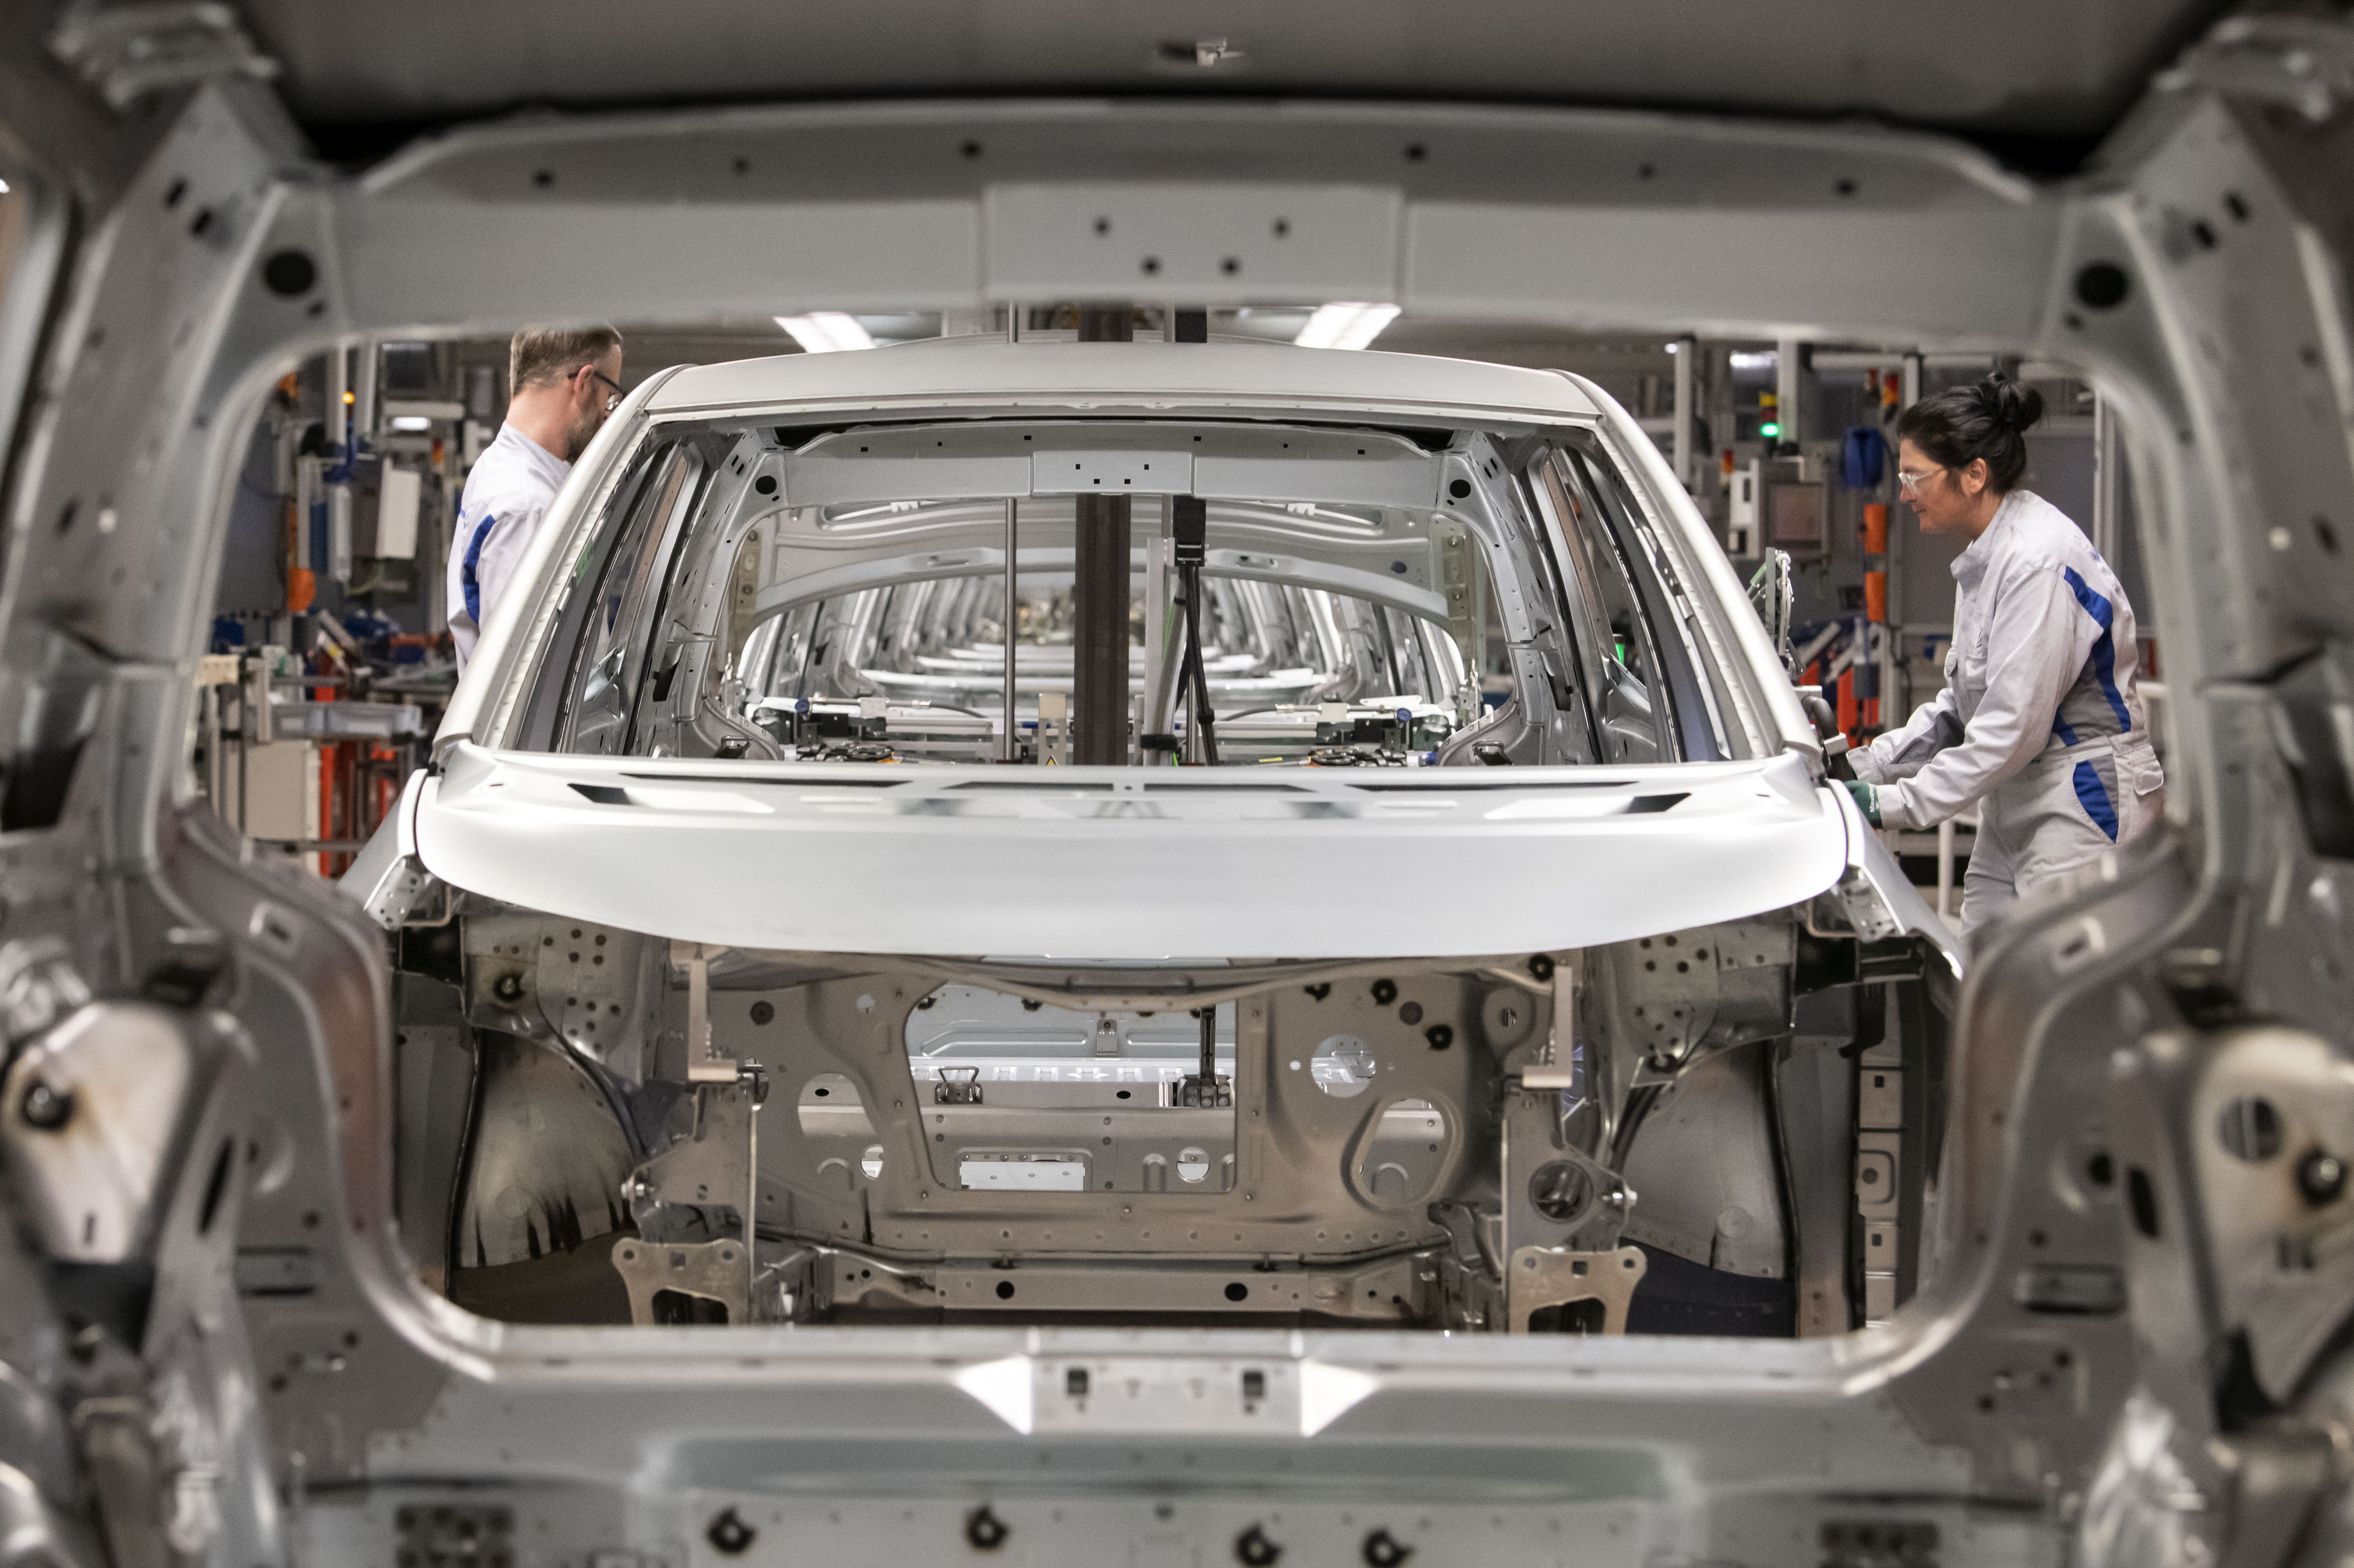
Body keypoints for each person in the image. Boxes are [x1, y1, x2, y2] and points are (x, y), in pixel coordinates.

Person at [1844, 374, 2164, 948]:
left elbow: (2011, 728)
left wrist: (1893, 804)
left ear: (1974, 475)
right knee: (1986, 969)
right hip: (2021, 795)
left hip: (2081, 796)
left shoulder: (2034, 560)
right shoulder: (1989, 556)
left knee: (2060, 987)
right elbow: (1961, 707)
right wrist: (1866, 769)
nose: (1904, 493)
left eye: (1915, 477)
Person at [447, 324, 624, 668]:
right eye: (611, 397)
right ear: (584, 383)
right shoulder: (528, 507)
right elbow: (520, 673)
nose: (608, 413)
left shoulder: (500, 467)